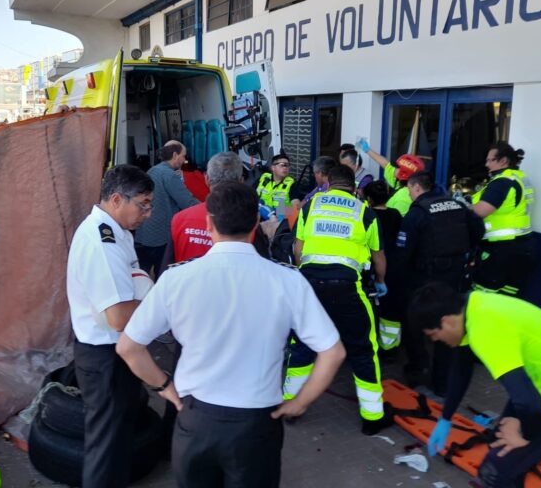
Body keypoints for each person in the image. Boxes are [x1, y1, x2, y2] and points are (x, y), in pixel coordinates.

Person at [117, 182, 345, 488]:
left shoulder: (176, 278)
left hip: (195, 419)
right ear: (255, 223)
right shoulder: (288, 280)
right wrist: (301, 401)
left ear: (209, 223)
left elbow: (128, 347)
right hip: (256, 424)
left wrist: (165, 387)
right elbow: (333, 352)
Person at [411, 282, 541, 488]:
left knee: (494, 472)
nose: (436, 340)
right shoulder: (472, 306)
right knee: (497, 439)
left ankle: (528, 456)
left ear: (446, 321)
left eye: (433, 335)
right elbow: (461, 369)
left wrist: (522, 435)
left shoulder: (485, 332)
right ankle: (528, 457)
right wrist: (446, 418)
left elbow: (530, 404)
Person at [66, 164, 154, 488]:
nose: (148, 213)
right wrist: (161, 307)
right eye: (143, 204)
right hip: (105, 356)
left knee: (118, 436)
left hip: (116, 351)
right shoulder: (101, 242)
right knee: (106, 444)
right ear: (117, 199)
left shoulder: (117, 232)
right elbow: (117, 316)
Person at [286, 164, 390, 434]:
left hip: (310, 286)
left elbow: (298, 248)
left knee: (302, 345)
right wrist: (380, 282)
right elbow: (378, 256)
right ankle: (372, 418)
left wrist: (304, 274)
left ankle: (291, 408)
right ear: (354, 186)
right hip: (348, 289)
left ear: (327, 184)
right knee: (363, 350)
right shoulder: (365, 212)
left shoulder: (310, 206)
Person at [397, 171, 484, 394]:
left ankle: (418, 371)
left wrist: (400, 278)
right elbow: (478, 230)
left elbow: (403, 252)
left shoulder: (417, 213)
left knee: (415, 323)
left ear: (416, 187)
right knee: (447, 324)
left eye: (409, 189)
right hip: (454, 276)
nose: (408, 193)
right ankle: (442, 383)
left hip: (425, 278)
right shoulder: (457, 206)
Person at [471, 142, 535, 298]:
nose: (486, 164)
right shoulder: (520, 178)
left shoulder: (501, 182)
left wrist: (461, 206)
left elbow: (481, 211)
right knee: (507, 299)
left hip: (501, 250)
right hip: (523, 247)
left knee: (484, 296)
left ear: (504, 161)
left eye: (490, 160)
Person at [134, 141, 198, 276]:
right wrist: (209, 207)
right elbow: (188, 203)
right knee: (162, 276)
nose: (184, 160)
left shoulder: (152, 171)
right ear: (175, 155)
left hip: (142, 234)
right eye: (183, 156)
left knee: (140, 275)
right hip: (161, 238)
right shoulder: (169, 175)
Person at [364, 179, 404, 352]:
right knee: (390, 308)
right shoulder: (396, 214)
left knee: (369, 308)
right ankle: (390, 347)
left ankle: (371, 343)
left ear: (369, 199)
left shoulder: (367, 215)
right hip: (393, 267)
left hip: (371, 267)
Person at [357, 137, 424, 215]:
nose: (394, 169)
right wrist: (367, 150)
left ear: (403, 174)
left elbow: (395, 220)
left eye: (397, 167)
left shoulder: (403, 199)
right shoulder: (402, 183)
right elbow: (386, 165)